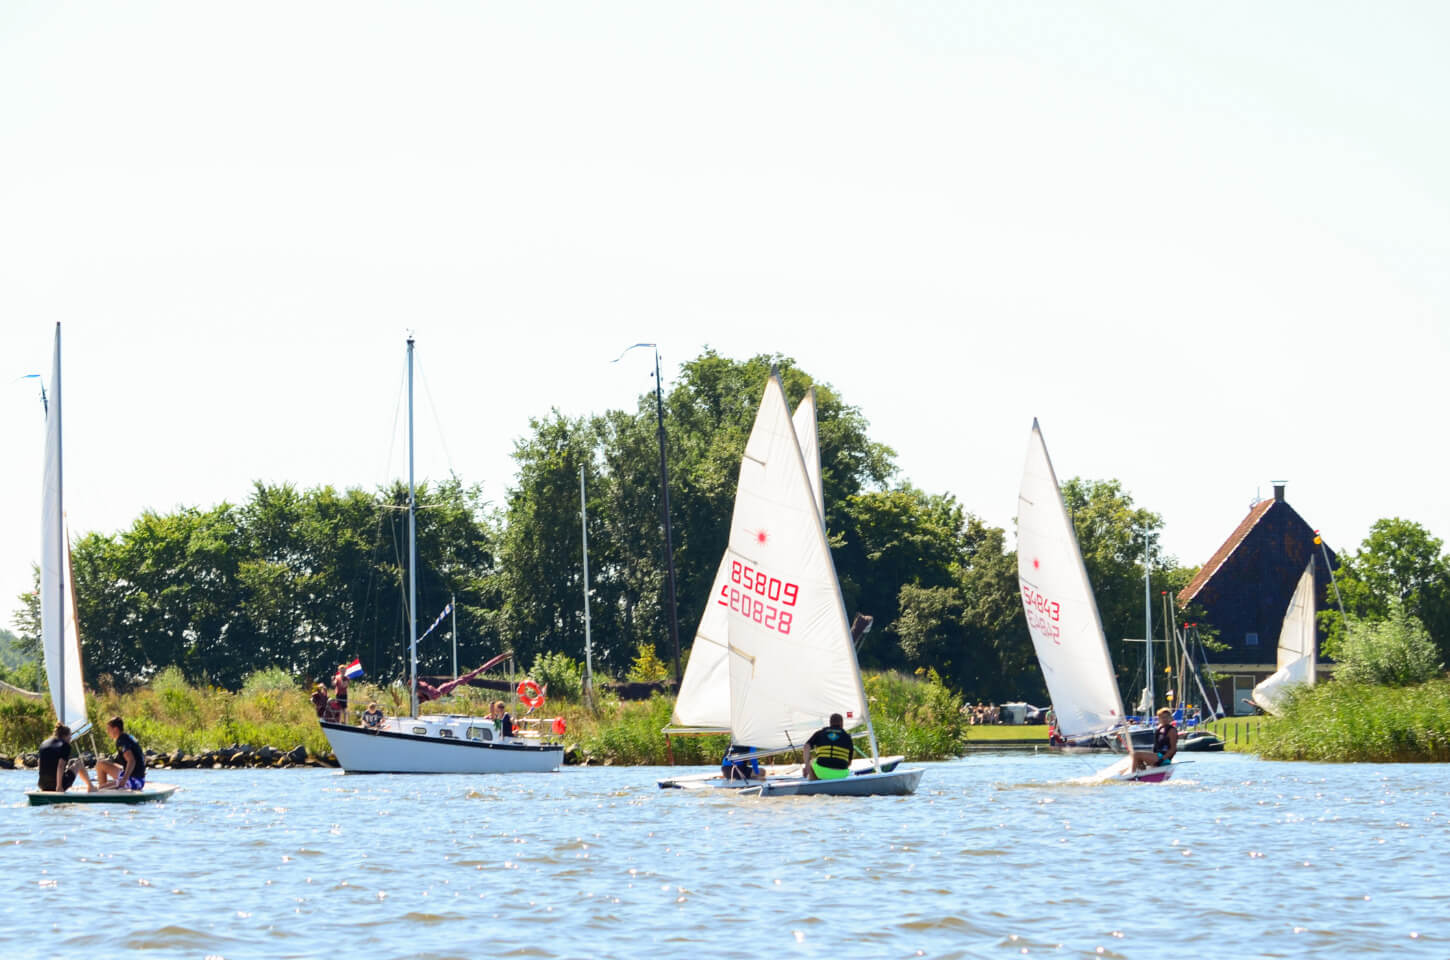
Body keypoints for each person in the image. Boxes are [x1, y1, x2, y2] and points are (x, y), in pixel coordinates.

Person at [36, 724, 95, 794]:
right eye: (70, 736)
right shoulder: (65, 745)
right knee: (79, 763)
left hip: (43, 785)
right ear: (64, 736)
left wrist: (42, 783)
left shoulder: (44, 743)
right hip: (56, 786)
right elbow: (60, 766)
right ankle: (91, 787)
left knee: (70, 764)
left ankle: (46, 784)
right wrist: (59, 787)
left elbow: (39, 762)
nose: (71, 738)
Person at [94, 716, 146, 790]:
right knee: (101, 764)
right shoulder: (127, 737)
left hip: (134, 781)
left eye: (109, 729)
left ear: (115, 729)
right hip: (138, 779)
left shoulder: (121, 741)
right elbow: (142, 757)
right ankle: (105, 788)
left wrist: (124, 779)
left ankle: (103, 789)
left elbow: (131, 761)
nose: (107, 732)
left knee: (99, 789)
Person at [803, 713, 854, 781]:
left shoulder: (820, 733)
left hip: (822, 773)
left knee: (811, 762)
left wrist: (806, 765)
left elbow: (806, 746)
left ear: (830, 722)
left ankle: (814, 785)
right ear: (842, 723)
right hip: (842, 774)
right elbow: (849, 763)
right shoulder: (847, 737)